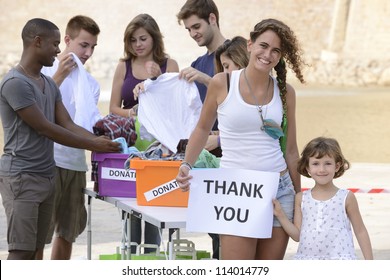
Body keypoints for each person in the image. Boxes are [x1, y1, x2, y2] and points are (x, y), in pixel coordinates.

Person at [176, 18, 306, 260]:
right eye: (263, 46)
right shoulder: (222, 83)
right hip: (236, 191)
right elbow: (202, 129)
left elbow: (290, 150)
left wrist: (299, 197)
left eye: (276, 51)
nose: (268, 54)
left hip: (280, 190)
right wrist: (186, 164)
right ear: (250, 44)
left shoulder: (286, 92)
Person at [0, 18, 120, 260]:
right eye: (55, 44)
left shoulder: (47, 83)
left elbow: (67, 124)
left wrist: (105, 143)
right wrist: (93, 144)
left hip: (45, 175)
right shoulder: (15, 83)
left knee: (45, 243)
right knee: (22, 251)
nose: (57, 50)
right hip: (22, 176)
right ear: (37, 42)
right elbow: (46, 128)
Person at [109, 13, 179, 253]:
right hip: (130, 149)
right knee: (129, 210)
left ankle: (151, 258)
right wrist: (135, 113)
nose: (137, 45)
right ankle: (129, 258)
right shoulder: (123, 66)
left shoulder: (169, 65)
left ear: (154, 39)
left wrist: (157, 78)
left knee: (153, 206)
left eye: (142, 39)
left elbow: (175, 107)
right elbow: (113, 108)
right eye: (132, 40)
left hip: (160, 151)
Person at [40, 15, 102, 260]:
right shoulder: (44, 70)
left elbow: (85, 124)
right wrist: (60, 77)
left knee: (68, 232)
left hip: (76, 165)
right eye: (83, 45)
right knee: (39, 235)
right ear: (67, 40)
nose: (88, 53)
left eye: (93, 47)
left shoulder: (91, 84)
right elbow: (35, 107)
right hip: (48, 161)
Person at [176, 0, 226, 259]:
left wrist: (207, 80)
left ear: (213, 18)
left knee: (231, 232)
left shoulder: (234, 53)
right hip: (206, 157)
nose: (193, 33)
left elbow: (245, 98)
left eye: (196, 26)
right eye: (188, 29)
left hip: (232, 156)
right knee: (213, 230)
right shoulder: (197, 61)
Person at [273, 137, 374, 260]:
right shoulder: (301, 198)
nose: (322, 169)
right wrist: (280, 215)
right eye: (315, 164)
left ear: (337, 166)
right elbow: (297, 236)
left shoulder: (346, 197)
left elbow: (360, 231)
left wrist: (370, 262)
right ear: (307, 168)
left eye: (328, 163)